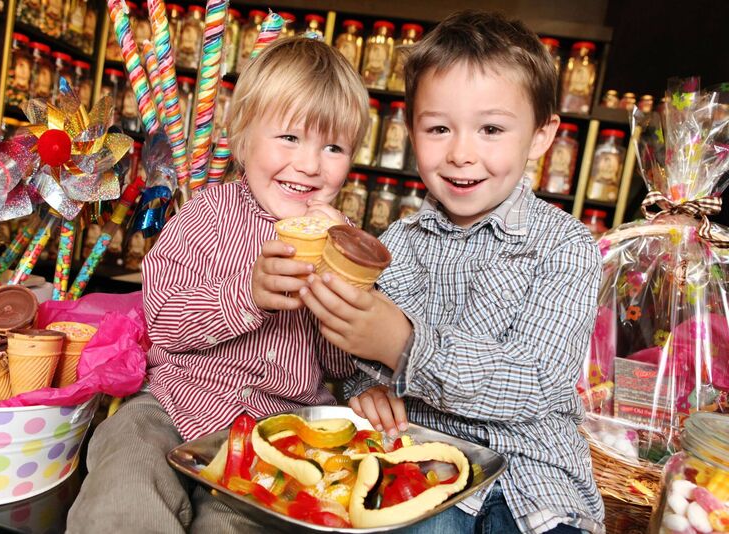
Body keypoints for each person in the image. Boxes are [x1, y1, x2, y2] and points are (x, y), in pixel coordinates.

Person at [300, 10, 605, 534]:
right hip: (420, 464)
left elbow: (532, 382)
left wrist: (405, 345)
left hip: (533, 476)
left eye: (491, 129)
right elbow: (350, 355)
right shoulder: (392, 244)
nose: (462, 153)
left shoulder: (568, 246)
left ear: (540, 136)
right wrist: (358, 387)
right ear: (410, 131)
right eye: (439, 128)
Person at [67, 37, 369, 534]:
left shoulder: (345, 241)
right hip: (171, 403)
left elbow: (340, 366)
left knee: (238, 523)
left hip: (274, 433)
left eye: (333, 147)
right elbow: (163, 323)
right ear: (244, 136)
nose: (311, 165)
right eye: (290, 138)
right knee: (125, 477)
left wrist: (339, 296)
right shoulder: (204, 216)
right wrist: (247, 294)